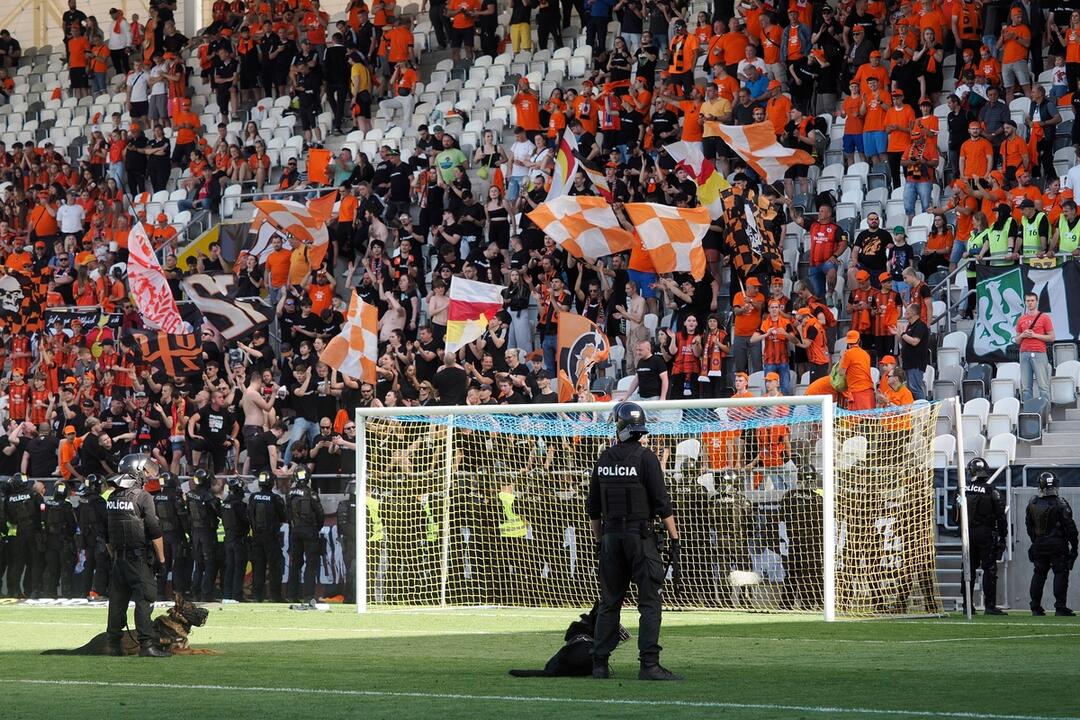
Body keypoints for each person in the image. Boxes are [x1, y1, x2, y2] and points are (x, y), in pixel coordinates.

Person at [588, 402, 682, 681]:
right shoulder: (646, 458)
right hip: (640, 538)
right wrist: (675, 538)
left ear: (619, 426)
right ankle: (649, 665)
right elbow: (662, 505)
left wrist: (599, 541)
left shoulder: (603, 459)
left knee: (609, 602)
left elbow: (593, 508)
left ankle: (599, 665)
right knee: (650, 603)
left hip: (610, 538)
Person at [103, 453, 170, 657]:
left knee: (117, 602)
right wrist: (161, 560)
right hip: (138, 558)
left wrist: (115, 556)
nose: (149, 473)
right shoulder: (143, 496)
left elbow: (107, 534)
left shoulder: (112, 497)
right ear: (137, 471)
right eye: (146, 468)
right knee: (145, 599)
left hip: (119, 560)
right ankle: (147, 645)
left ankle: (113, 644)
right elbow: (154, 529)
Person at [1026, 471, 1078, 616]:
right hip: (1057, 545)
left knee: (1039, 574)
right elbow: (1071, 528)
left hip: (1039, 544)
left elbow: (1029, 526)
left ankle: (1035, 606)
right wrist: (1074, 547)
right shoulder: (1061, 504)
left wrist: (1035, 541)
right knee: (1060, 574)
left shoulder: (1033, 503)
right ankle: (1060, 607)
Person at [964, 457, 1007, 616]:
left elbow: (956, 512)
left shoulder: (963, 489)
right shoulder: (992, 491)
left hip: (968, 534)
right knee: (989, 569)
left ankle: (967, 606)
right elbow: (1001, 517)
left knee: (968, 569)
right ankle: (990, 606)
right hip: (986, 534)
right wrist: (1003, 537)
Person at [287, 467, 325, 604]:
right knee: (310, 564)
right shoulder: (311, 494)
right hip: (309, 530)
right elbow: (320, 514)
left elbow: (288, 513)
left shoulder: (290, 493)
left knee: (295, 564)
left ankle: (291, 594)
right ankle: (308, 596)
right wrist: (316, 528)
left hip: (295, 530)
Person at [248, 470, 287, 603]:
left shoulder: (253, 497)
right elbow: (283, 516)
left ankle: (257, 595)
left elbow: (249, 515)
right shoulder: (275, 498)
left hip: (257, 537)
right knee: (274, 567)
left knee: (258, 567)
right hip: (271, 537)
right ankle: (275, 595)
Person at [151, 471, 189, 598]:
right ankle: (178, 593)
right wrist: (188, 533)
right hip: (176, 535)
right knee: (178, 565)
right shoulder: (175, 497)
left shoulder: (156, 497)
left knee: (163, 565)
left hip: (162, 535)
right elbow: (182, 517)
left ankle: (160, 593)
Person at [1015, 291, 1054, 403]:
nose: (1030, 303)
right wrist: (1023, 335)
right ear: (1025, 303)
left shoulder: (1044, 317)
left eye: (1032, 300)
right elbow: (1017, 340)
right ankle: (1029, 414)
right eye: (1028, 301)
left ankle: (1046, 413)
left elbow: (1052, 337)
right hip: (1024, 353)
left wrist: (1034, 335)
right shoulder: (1021, 319)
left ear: (1036, 302)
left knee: (1043, 386)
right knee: (1026, 388)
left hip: (1039, 353)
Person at [42, 480, 78, 599]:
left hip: (50, 542)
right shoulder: (66, 506)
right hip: (64, 542)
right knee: (65, 569)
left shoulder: (47, 504)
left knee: (51, 569)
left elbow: (43, 522)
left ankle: (49, 592)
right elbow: (72, 525)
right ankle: (66, 594)